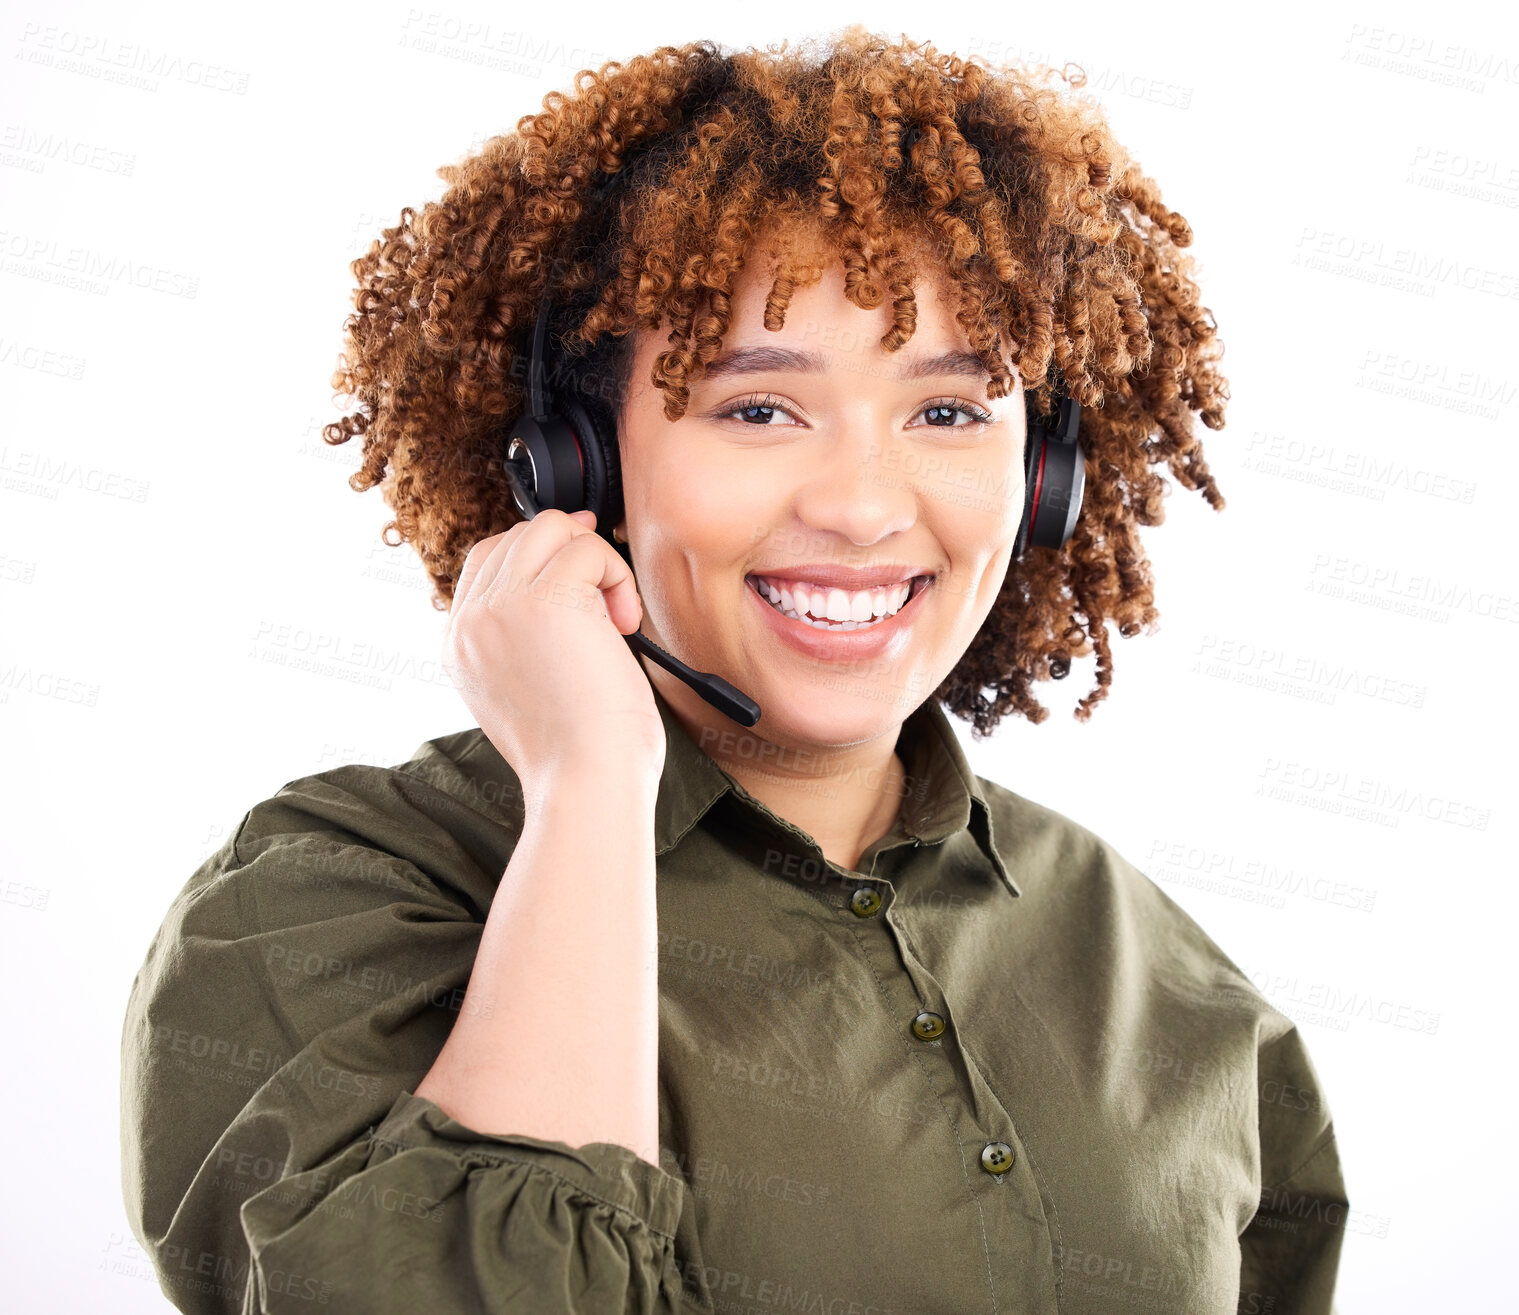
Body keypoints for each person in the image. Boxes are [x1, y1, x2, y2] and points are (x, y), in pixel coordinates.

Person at [120, 26, 1347, 1315]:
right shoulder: (339, 898)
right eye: (757, 409)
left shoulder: (1164, 975)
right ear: (574, 467)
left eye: (948, 411)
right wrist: (590, 787)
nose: (866, 509)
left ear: (1044, 479)